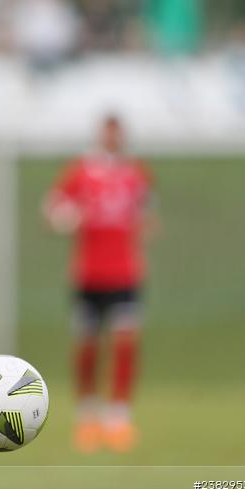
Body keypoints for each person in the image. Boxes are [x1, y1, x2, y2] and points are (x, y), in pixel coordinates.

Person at [43, 115, 156, 454]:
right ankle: (87, 417)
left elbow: (148, 216)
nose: (113, 138)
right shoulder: (81, 172)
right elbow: (52, 210)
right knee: (87, 346)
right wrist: (65, 217)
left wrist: (140, 239)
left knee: (125, 342)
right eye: (108, 132)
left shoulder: (136, 174)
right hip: (89, 274)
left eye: (117, 132)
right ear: (100, 135)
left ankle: (118, 418)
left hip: (125, 274)